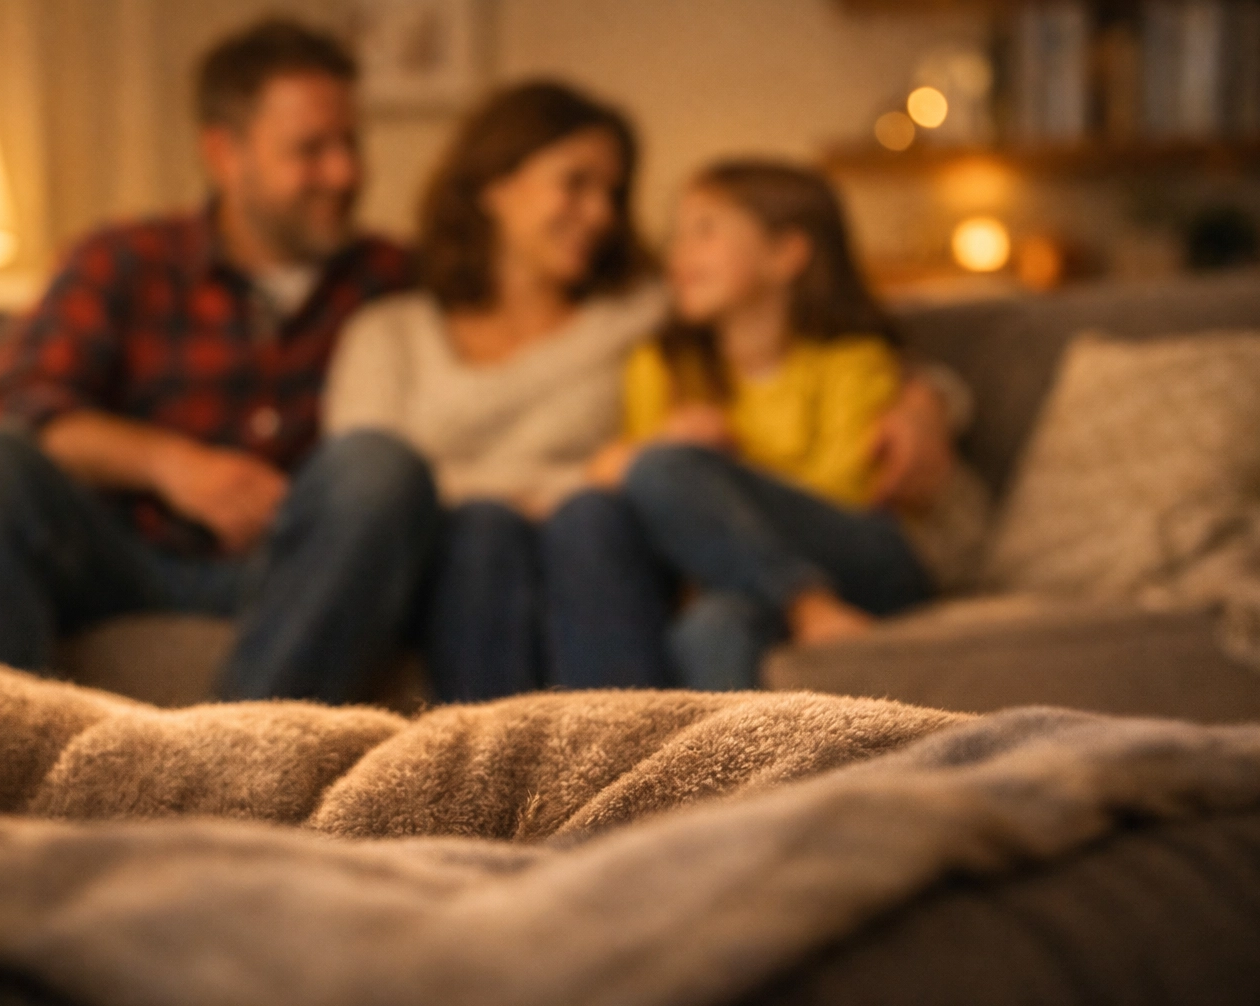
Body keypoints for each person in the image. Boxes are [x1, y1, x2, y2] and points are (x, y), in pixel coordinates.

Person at [0, 19, 435, 704]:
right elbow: (21, 403)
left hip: (300, 569)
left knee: (382, 468)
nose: (344, 173)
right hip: (121, 552)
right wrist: (172, 465)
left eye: (350, 143)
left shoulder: (396, 277)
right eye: (311, 150)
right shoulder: (128, 258)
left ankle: (236, 779)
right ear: (224, 153)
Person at [324, 81, 671, 702]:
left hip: (596, 558)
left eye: (613, 193)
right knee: (484, 530)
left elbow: (784, 339)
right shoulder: (389, 332)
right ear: (494, 186)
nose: (601, 214)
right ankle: (488, 782)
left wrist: (909, 398)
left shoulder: (643, 315)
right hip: (451, 568)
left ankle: (640, 780)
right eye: (575, 183)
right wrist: (561, 482)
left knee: (589, 519)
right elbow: (363, 503)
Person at [588, 161, 942, 689]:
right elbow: (632, 488)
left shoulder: (852, 360)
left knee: (667, 468)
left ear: (785, 254)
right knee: (710, 629)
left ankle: (807, 602)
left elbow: (849, 491)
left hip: (865, 554)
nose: (679, 255)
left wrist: (719, 476)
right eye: (677, 235)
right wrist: (688, 471)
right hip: (735, 580)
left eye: (704, 231)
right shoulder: (659, 365)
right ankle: (742, 772)